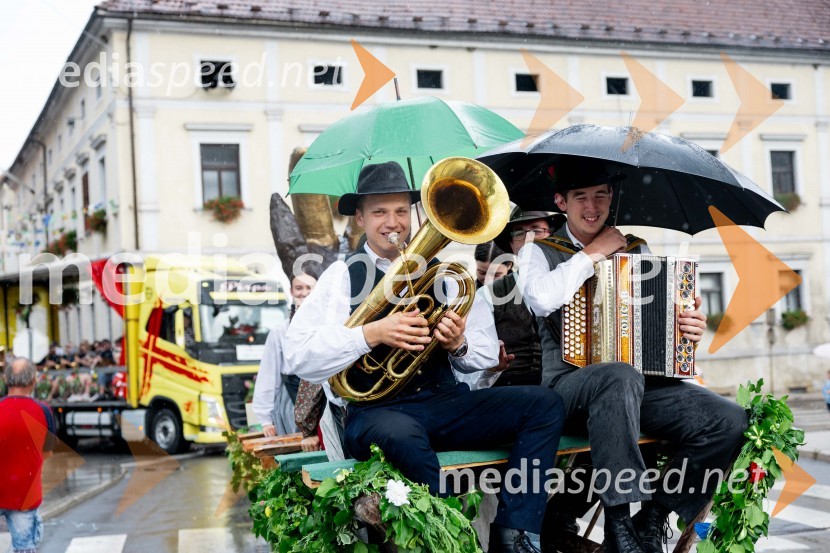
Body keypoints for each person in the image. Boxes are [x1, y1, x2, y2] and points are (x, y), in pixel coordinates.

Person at [284, 161, 565, 553]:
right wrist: (370, 333)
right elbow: (297, 355)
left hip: (442, 402)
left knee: (545, 405)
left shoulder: (448, 273)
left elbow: (484, 352)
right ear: (361, 217)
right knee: (405, 437)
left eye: (401, 210)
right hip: (376, 411)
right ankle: (453, 541)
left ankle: (515, 534)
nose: (392, 222)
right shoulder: (340, 276)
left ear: (417, 213)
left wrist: (458, 344)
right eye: (379, 211)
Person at [515, 160, 749, 553]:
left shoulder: (638, 251)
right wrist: (592, 254)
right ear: (561, 202)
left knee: (729, 420)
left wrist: (687, 328)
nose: (592, 208)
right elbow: (540, 299)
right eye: (581, 198)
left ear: (612, 198)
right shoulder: (537, 252)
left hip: (637, 386)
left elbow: (660, 325)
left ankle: (654, 514)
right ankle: (619, 523)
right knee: (618, 375)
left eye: (601, 197)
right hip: (567, 388)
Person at [252, 271, 318, 437]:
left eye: (309, 287)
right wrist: (265, 420)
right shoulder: (280, 331)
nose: (304, 292)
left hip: (323, 398)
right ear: (291, 292)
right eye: (299, 288)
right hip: (292, 398)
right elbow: (268, 373)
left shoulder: (327, 325)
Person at [0, 357, 56, 553]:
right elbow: (47, 453)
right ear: (33, 381)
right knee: (24, 549)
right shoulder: (44, 411)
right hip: (25, 496)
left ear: (6, 380)